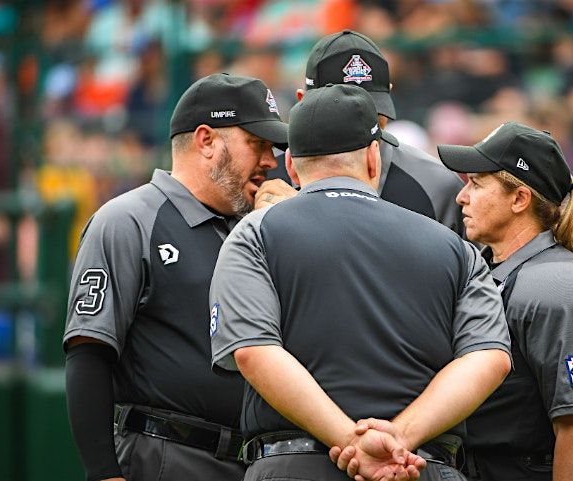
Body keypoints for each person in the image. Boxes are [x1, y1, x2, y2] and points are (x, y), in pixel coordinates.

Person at [209, 83, 512, 481]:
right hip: (420, 467)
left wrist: (351, 443)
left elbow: (254, 350)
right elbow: (490, 357)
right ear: (374, 159)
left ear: (293, 167)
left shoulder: (255, 233)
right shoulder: (454, 246)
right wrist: (400, 437)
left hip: (297, 467)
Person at [63, 73, 287, 481]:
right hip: (166, 455)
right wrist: (103, 474)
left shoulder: (260, 227)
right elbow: (88, 352)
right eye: (258, 144)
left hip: (255, 464)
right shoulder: (129, 219)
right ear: (206, 141)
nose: (271, 160)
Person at [434, 122, 573, 480]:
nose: (461, 197)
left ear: (519, 199)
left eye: (477, 184)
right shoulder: (481, 263)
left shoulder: (560, 284)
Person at [260, 29, 465, 234]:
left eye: (374, 111)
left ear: (390, 95)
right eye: (338, 111)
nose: (360, 124)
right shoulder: (263, 175)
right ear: (302, 101)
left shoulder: (437, 186)